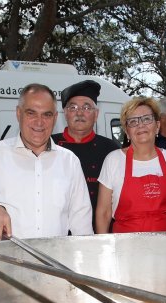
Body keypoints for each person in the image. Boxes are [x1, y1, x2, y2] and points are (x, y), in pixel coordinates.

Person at [0, 83, 93, 240]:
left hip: (54, 262)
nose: (39, 122)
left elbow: (81, 222)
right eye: (31, 113)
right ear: (18, 113)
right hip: (4, 262)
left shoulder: (70, 161)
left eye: (47, 115)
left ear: (55, 118)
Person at [96, 97, 166, 233]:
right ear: (127, 131)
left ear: (157, 126)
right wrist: (103, 250)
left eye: (147, 119)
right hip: (125, 249)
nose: (140, 125)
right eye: (133, 121)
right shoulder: (113, 160)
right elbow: (104, 212)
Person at [52, 80, 120, 231]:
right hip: (58, 233)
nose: (80, 113)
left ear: (96, 114)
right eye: (73, 107)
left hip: (100, 232)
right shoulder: (49, 145)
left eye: (87, 107)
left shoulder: (111, 150)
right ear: (65, 113)